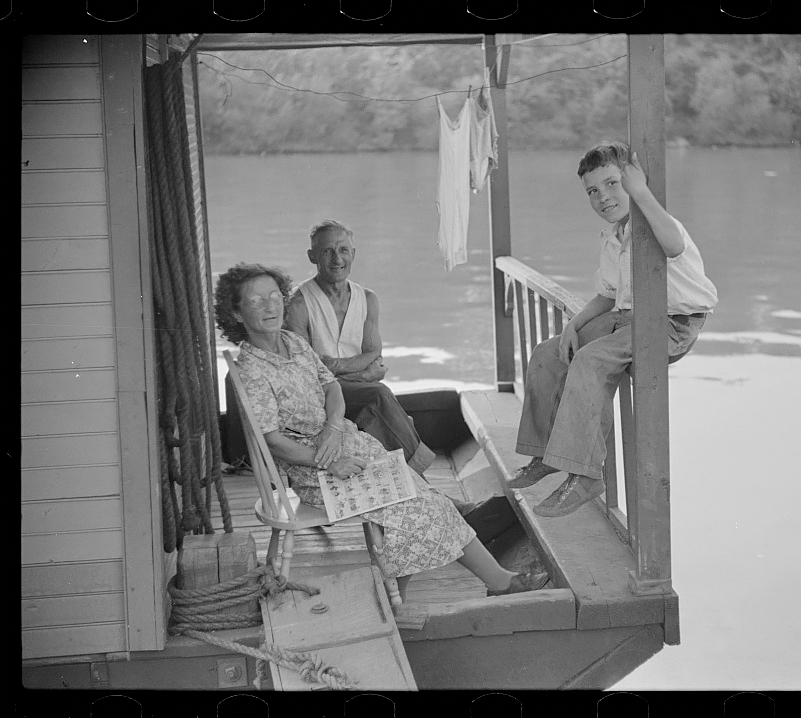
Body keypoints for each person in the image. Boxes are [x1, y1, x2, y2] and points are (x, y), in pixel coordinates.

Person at [214, 263, 548, 599]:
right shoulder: (253, 370)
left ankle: (471, 585)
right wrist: (327, 461)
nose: (270, 306)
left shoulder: (293, 342)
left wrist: (332, 427)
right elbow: (272, 441)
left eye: (274, 296)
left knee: (431, 499)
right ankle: (491, 584)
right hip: (316, 474)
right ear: (236, 314)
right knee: (421, 509)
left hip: (350, 446)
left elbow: (331, 388)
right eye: (256, 302)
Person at [510, 140, 718, 518]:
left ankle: (586, 474)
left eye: (612, 184)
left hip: (670, 323)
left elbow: (672, 247)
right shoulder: (612, 237)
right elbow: (608, 294)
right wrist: (575, 324)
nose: (603, 197)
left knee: (590, 362)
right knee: (549, 353)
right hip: (626, 316)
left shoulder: (657, 222)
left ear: (634, 182)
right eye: (593, 191)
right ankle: (547, 454)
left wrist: (641, 193)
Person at [285, 220, 473, 511]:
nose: (337, 259)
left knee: (380, 410)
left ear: (354, 253)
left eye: (344, 250)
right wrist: (362, 372)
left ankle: (415, 490)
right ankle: (426, 488)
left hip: (355, 389)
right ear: (312, 257)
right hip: (320, 394)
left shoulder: (367, 298)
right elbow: (307, 367)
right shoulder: (299, 303)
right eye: (327, 252)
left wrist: (347, 368)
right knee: (379, 395)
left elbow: (374, 351)